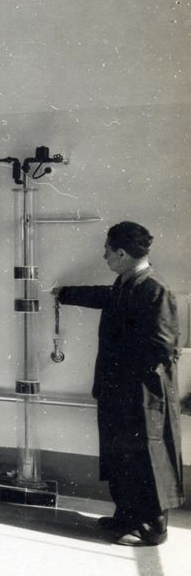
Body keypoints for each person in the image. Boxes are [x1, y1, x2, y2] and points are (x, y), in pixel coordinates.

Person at [55, 221, 183, 546]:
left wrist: (125, 370)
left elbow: (165, 349)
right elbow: (108, 299)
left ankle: (154, 530)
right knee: (120, 457)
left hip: (142, 397)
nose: (104, 256)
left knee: (147, 460)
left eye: (107, 251)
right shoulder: (126, 283)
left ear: (122, 253)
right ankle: (126, 516)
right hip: (118, 392)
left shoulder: (156, 290)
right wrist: (66, 294)